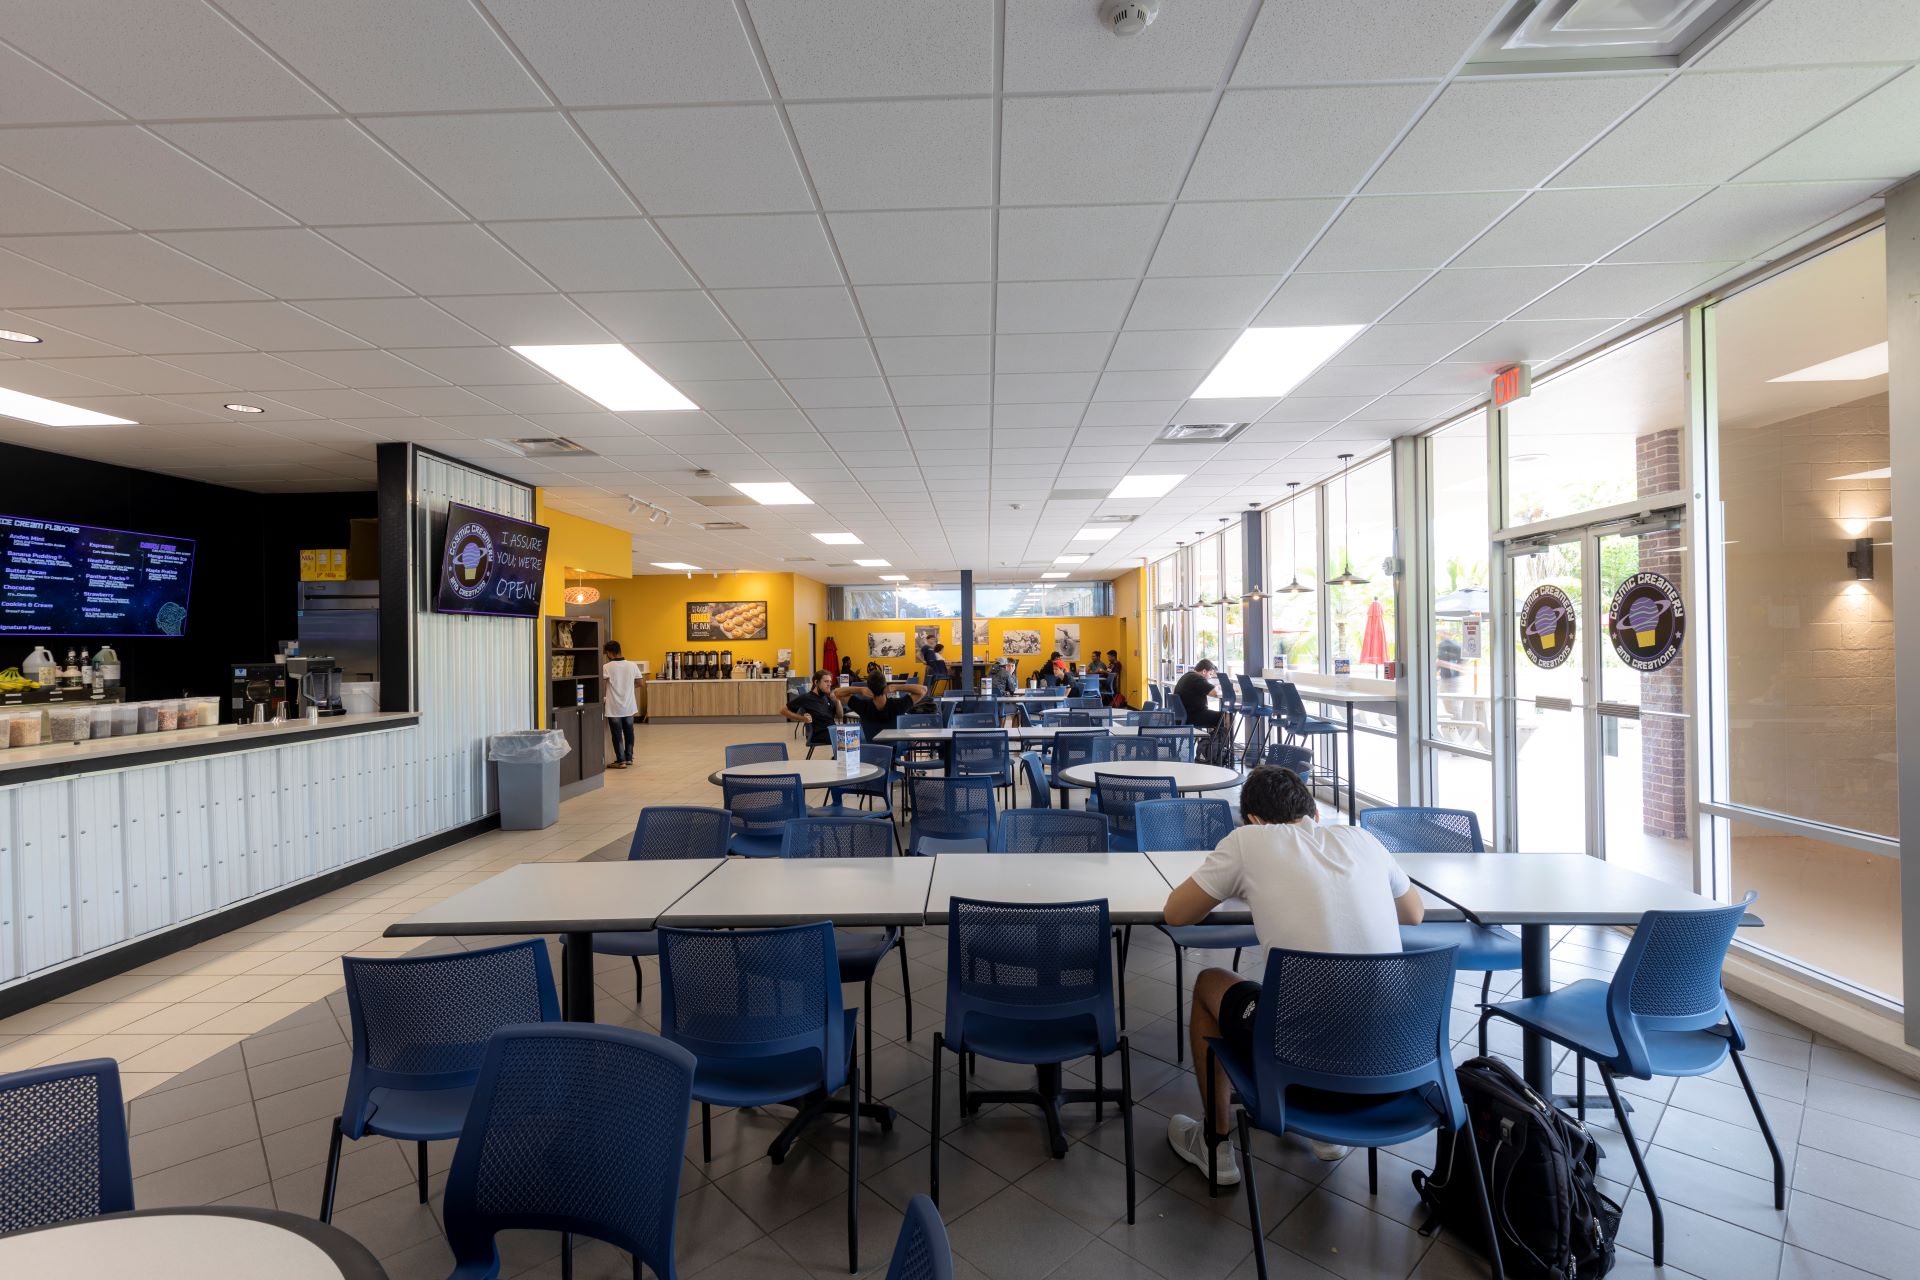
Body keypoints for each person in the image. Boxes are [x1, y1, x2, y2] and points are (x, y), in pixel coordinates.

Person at [1157, 766, 1425, 1186]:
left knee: (1210, 981)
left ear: (1254, 821)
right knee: (1323, 985)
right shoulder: (1364, 839)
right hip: (1392, 1057)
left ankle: (1215, 1143)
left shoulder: (1250, 842)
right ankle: (1325, 1133)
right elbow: (1413, 913)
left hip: (1301, 1055)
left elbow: (1177, 913)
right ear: (1314, 813)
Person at [836, 671, 925, 735]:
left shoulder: (863, 706)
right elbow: (923, 690)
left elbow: (837, 693)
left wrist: (860, 689)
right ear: (885, 685)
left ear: (868, 688)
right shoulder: (898, 705)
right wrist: (896, 687)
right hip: (896, 750)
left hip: (872, 751)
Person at [600, 640, 640, 769]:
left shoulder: (607, 667)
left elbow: (601, 684)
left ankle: (620, 760)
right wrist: (628, 687)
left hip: (614, 707)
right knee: (629, 733)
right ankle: (629, 758)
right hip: (629, 705)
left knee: (617, 734)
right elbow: (640, 682)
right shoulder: (632, 665)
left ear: (610, 653)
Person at [781, 669, 839, 754]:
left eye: (830, 681)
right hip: (818, 734)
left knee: (854, 734)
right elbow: (783, 711)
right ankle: (839, 761)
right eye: (826, 681)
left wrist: (837, 701)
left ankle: (837, 760)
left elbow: (839, 716)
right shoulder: (806, 697)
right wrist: (802, 718)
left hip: (831, 730)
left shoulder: (827, 697)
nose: (829, 684)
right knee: (849, 738)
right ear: (816, 682)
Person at [1174, 659, 1222, 729]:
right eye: (1210, 674)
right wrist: (1220, 686)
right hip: (1194, 716)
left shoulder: (1188, 675)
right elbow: (1215, 693)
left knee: (1217, 716)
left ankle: (1213, 738)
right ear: (1204, 671)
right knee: (1227, 718)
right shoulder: (1197, 678)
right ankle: (1218, 739)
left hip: (1185, 716)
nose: (1210, 677)